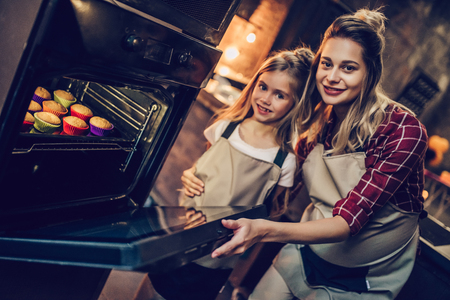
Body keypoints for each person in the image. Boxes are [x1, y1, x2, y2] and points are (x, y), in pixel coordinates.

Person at [185, 8, 428, 300]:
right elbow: (270, 194)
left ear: (370, 73)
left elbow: (348, 222)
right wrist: (200, 177)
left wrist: (263, 230)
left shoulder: (403, 130)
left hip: (367, 278)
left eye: (348, 68)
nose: (332, 77)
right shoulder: (313, 135)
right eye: (326, 64)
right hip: (304, 255)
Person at [149, 47, 314, 300]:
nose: (265, 99)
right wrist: (190, 174)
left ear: (296, 104)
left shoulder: (285, 161)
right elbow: (205, 169)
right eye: (263, 87)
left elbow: (272, 211)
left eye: (279, 95)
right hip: (180, 236)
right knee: (152, 291)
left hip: (217, 257)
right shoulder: (225, 128)